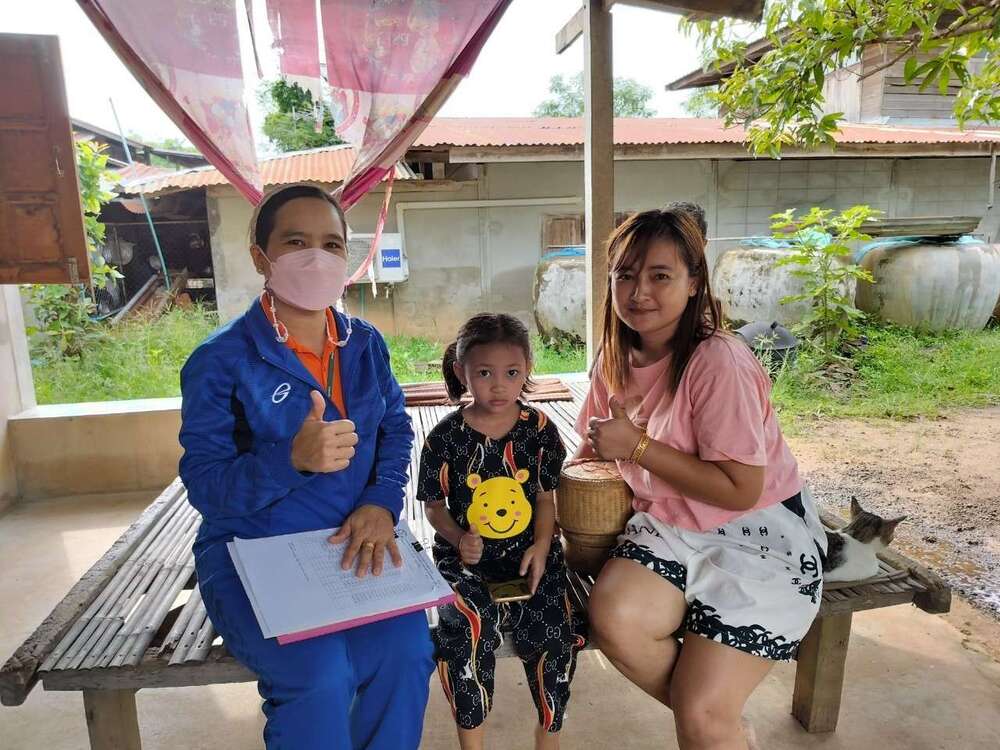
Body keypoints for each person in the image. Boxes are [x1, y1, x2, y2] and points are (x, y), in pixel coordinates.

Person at [178, 182, 434, 750]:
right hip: (254, 550)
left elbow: (395, 431)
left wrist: (380, 504)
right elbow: (206, 485)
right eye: (296, 242)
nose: (316, 257)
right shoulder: (221, 360)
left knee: (407, 655)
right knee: (320, 677)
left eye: (332, 244)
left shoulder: (364, 344)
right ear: (260, 257)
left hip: (354, 542)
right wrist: (288, 461)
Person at [575, 209, 826, 750]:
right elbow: (590, 451)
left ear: (694, 283)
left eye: (660, 275)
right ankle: (720, 725)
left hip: (757, 532)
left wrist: (638, 447)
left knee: (701, 716)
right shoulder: (614, 355)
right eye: (624, 275)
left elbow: (741, 489)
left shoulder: (718, 361)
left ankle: (712, 722)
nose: (639, 291)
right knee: (615, 619)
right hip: (668, 523)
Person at [416, 313, 585, 750]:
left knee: (556, 630)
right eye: (484, 373)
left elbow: (545, 498)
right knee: (467, 630)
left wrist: (543, 547)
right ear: (461, 372)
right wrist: (459, 539)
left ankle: (549, 734)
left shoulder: (539, 431)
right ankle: (472, 744)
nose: (498, 386)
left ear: (527, 368)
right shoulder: (444, 438)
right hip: (466, 559)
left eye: (511, 373)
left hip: (530, 552)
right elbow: (433, 507)